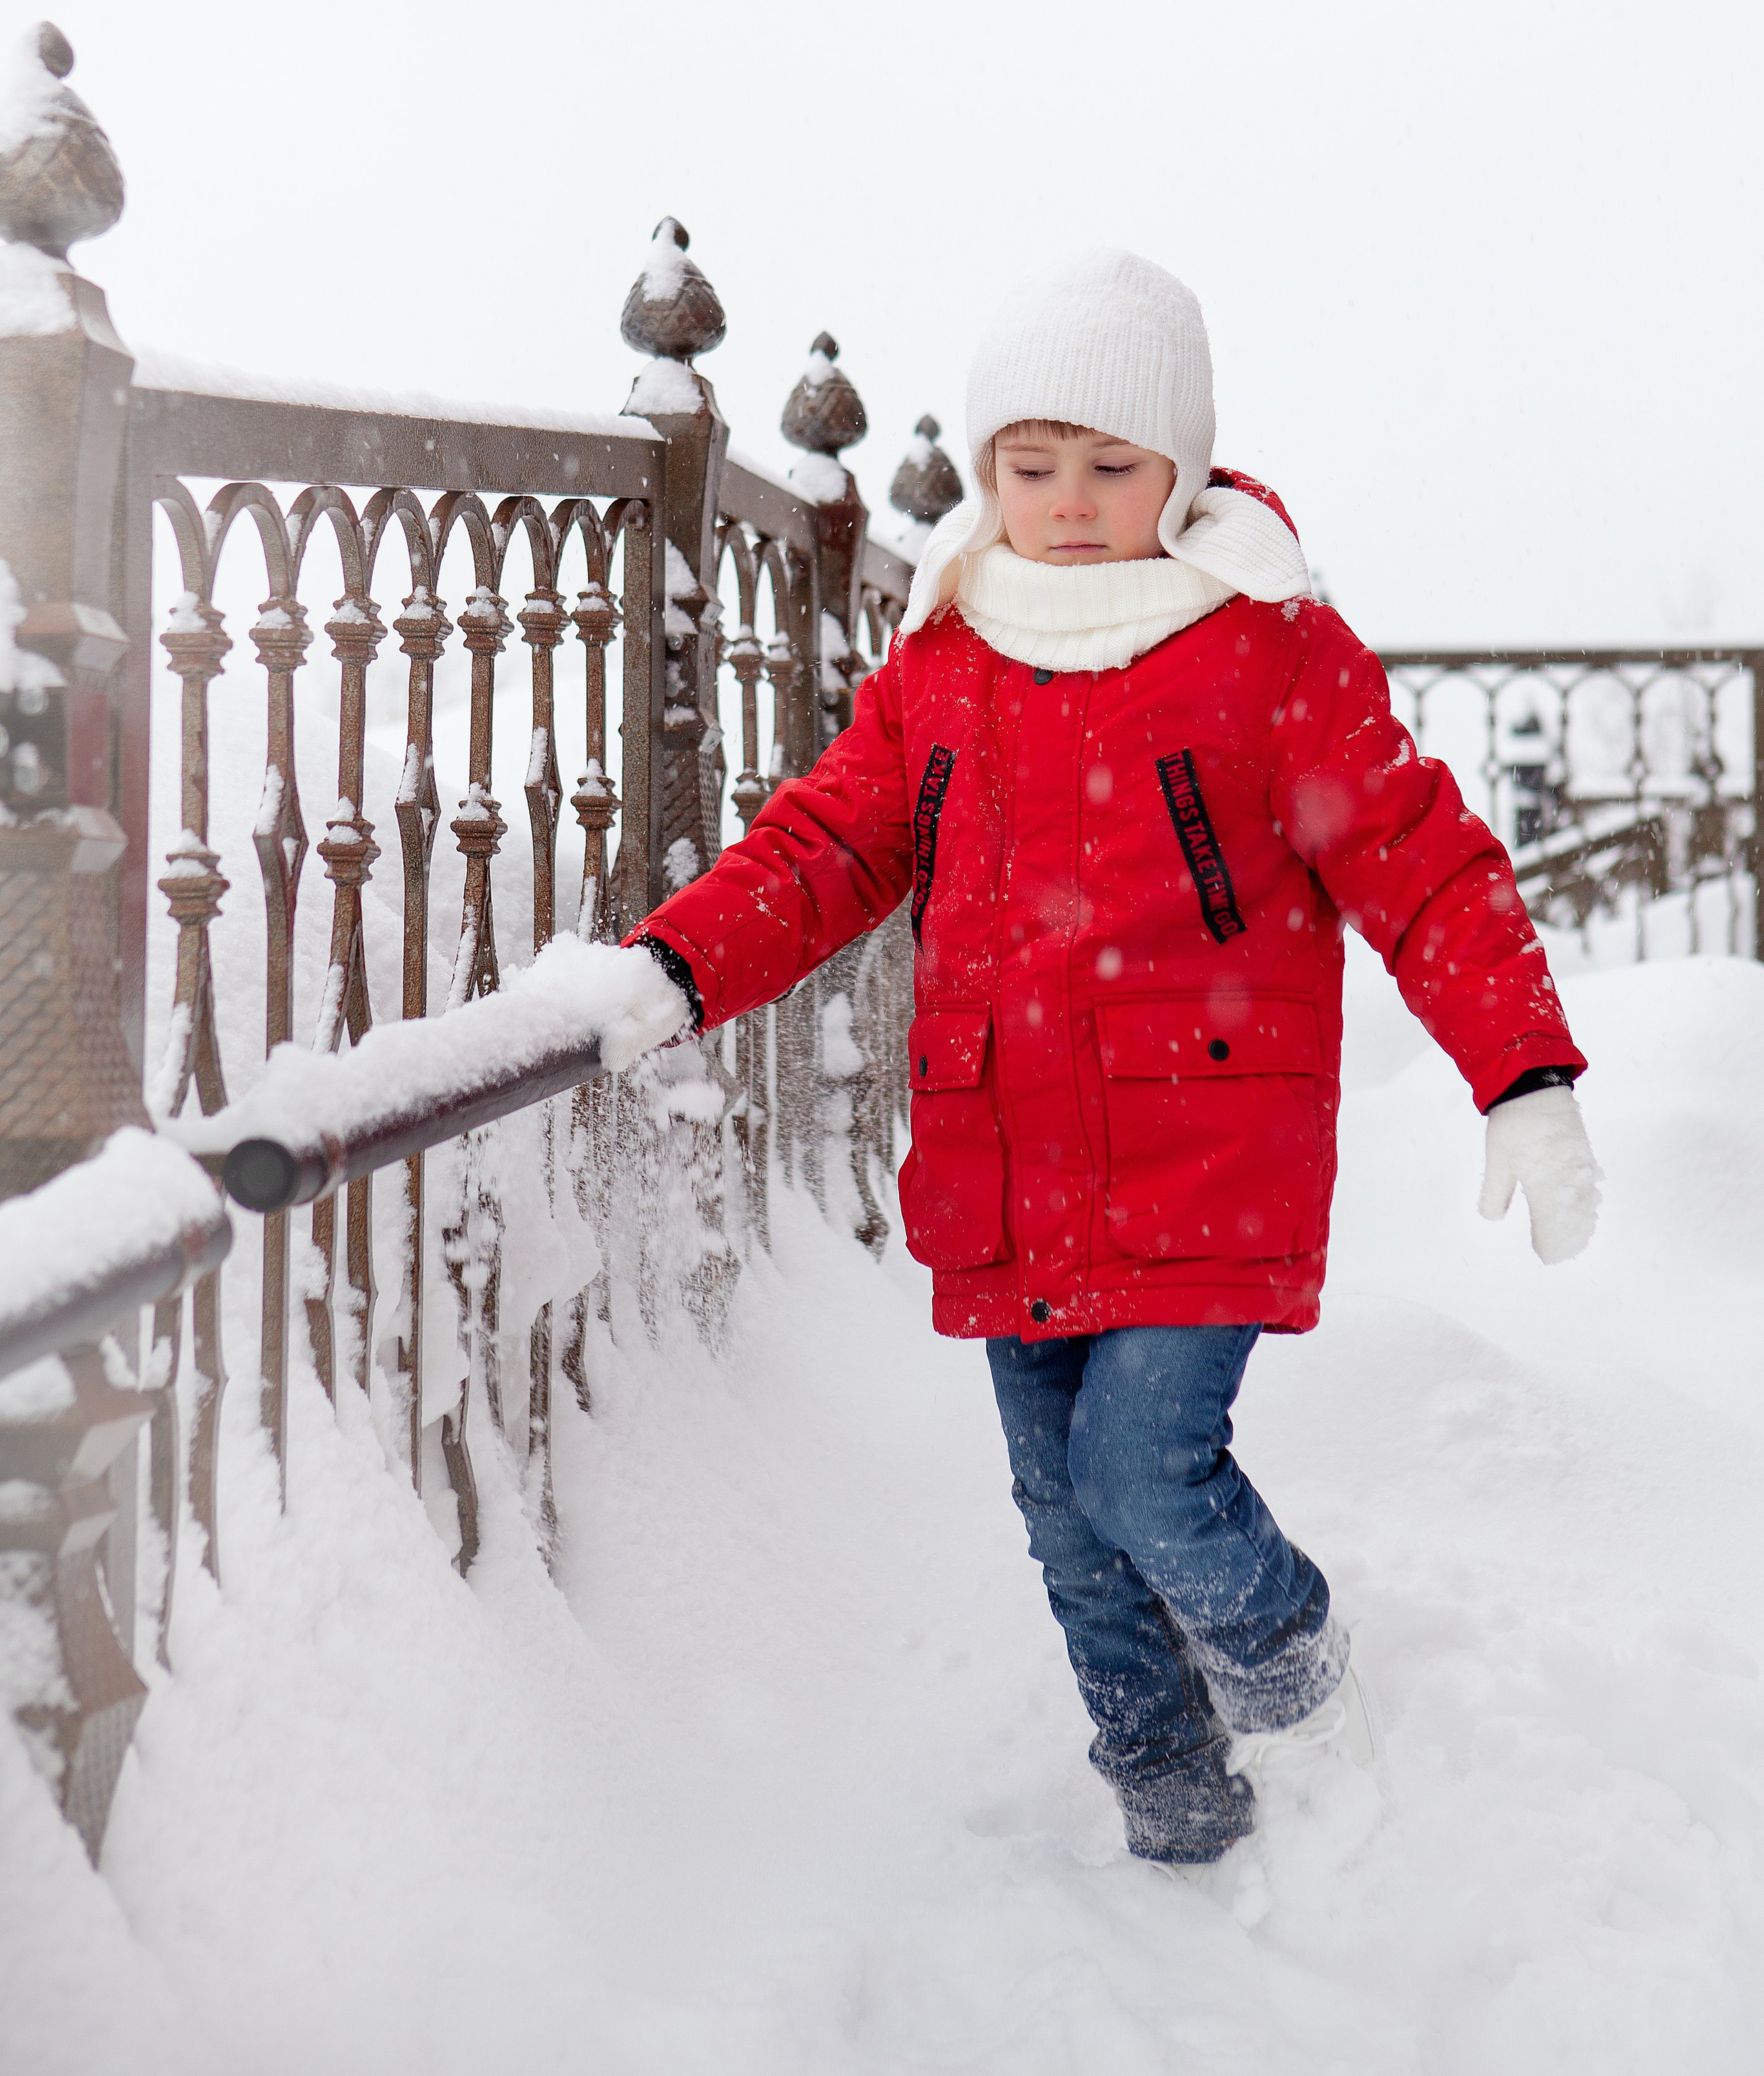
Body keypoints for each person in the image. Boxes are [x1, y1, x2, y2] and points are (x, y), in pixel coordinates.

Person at [608, 250, 1601, 1869]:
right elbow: (822, 848)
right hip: (1008, 1165)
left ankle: (1295, 1677)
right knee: (1067, 1523)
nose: (1065, 504)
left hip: (1208, 1160)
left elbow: (1420, 864)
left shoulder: (1263, 648)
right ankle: (1173, 1812)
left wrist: (1523, 1075)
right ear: (992, 471)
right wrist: (675, 965)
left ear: (1183, 467)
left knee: (1140, 1471)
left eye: (1109, 467)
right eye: (1030, 466)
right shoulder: (945, 661)